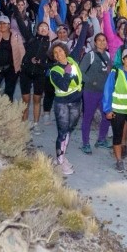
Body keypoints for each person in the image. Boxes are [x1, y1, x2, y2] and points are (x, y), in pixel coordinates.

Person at [48, 39, 85, 175]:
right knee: (63, 132)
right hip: (62, 104)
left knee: (69, 129)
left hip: (76, 101)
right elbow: (63, 85)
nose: (59, 54)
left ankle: (61, 156)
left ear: (65, 51)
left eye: (60, 50)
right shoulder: (54, 71)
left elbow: (80, 43)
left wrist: (86, 21)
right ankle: (60, 161)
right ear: (54, 56)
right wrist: (68, 72)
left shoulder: (72, 59)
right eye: (55, 53)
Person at [79, 33, 113, 153]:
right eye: (99, 40)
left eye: (104, 40)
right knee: (88, 117)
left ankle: (101, 139)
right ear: (95, 42)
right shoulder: (90, 55)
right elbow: (80, 72)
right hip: (90, 91)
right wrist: (91, 82)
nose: (102, 42)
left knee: (107, 116)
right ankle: (85, 143)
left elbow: (109, 72)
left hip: (104, 93)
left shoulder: (108, 55)